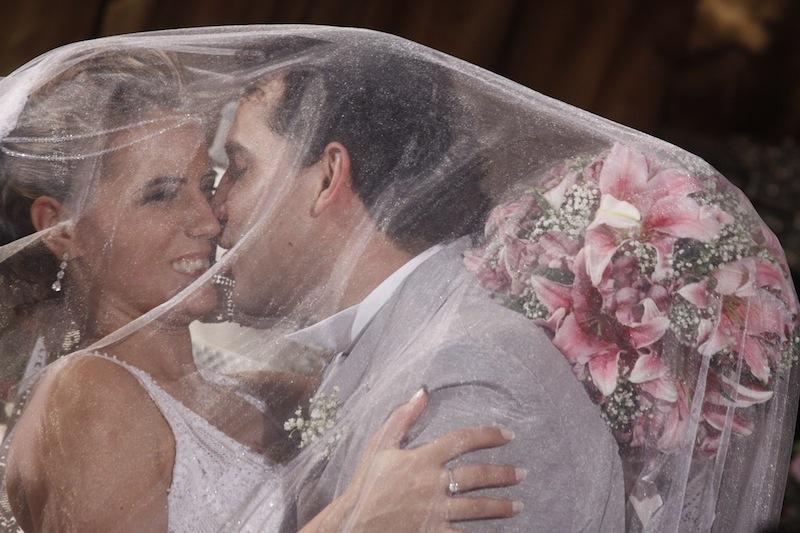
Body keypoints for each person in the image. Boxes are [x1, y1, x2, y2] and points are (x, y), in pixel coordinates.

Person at [0, 47, 523, 532]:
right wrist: (353, 521)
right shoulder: (84, 397)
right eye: (160, 195)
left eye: (206, 185)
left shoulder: (272, 397)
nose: (209, 219)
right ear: (63, 230)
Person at [212, 38, 624, 532]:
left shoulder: (470, 372)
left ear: (327, 178)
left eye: (239, 169)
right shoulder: (409, 336)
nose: (216, 205)